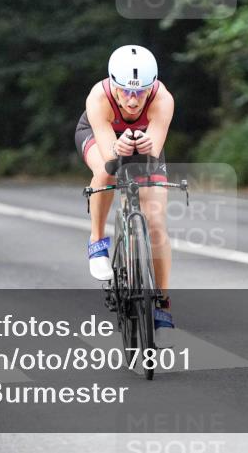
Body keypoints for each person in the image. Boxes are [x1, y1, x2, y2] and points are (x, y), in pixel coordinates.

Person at [74, 45, 176, 345]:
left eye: (141, 92)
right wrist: (117, 150)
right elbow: (111, 158)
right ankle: (96, 241)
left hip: (145, 145)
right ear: (113, 85)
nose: (133, 100)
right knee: (106, 173)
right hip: (100, 137)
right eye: (126, 91)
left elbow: (152, 152)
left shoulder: (163, 99)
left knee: (155, 223)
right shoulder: (99, 97)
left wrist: (145, 146)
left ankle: (162, 304)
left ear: (151, 87)